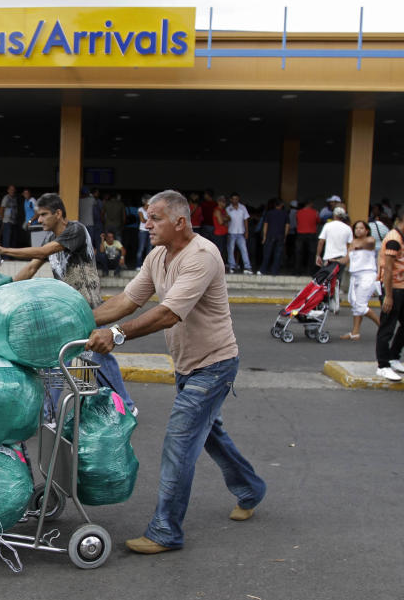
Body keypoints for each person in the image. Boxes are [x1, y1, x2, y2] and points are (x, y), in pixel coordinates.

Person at [85, 189, 266, 554]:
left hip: (215, 365)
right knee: (210, 434)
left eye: (155, 218)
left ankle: (166, 531)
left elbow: (168, 313)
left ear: (180, 222)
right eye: (145, 217)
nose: (146, 224)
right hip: (187, 364)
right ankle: (250, 488)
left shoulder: (201, 256)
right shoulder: (158, 256)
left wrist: (116, 335)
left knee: (180, 443)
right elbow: (126, 301)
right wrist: (79, 321)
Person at [0, 192, 136, 416]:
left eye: (43, 215)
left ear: (58, 213)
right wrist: (1, 292)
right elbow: (31, 268)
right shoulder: (48, 238)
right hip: (66, 313)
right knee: (58, 359)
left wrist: (3, 250)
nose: (39, 220)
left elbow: (44, 252)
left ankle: (127, 406)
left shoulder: (76, 230)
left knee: (98, 359)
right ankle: (49, 410)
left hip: (88, 310)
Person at [375, 206, 404, 381]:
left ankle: (393, 357)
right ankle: (383, 365)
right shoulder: (394, 238)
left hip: (403, 287)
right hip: (392, 288)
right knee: (387, 327)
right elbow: (387, 269)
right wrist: (388, 295)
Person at [341, 220, 381, 341]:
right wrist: (333, 261)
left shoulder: (370, 240)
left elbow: (368, 244)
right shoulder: (352, 243)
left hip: (367, 275)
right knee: (355, 304)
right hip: (355, 276)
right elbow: (345, 260)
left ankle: (383, 327)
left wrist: (356, 247)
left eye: (361, 228)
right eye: (356, 228)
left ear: (367, 230)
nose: (358, 230)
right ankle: (355, 333)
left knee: (361, 305)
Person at [259, 199, 290, 275]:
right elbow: (287, 226)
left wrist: (264, 236)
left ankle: (263, 270)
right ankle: (274, 271)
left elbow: (265, 225)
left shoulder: (269, 213)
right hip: (280, 236)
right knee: (278, 254)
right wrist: (285, 236)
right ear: (281, 205)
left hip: (270, 235)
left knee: (267, 253)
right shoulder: (285, 214)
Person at [225, 193, 252, 273]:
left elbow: (245, 220)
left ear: (238, 199)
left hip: (241, 232)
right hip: (231, 232)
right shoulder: (228, 209)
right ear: (230, 199)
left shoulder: (243, 208)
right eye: (233, 199)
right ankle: (232, 266)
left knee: (244, 250)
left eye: (236, 199)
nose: (235, 200)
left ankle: (247, 266)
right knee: (231, 250)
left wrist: (247, 231)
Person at [295, 199, 320, 275]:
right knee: (312, 253)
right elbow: (318, 221)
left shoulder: (298, 212)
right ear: (309, 204)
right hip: (311, 234)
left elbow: (297, 221)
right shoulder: (315, 212)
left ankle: (297, 271)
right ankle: (310, 271)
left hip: (300, 234)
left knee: (299, 253)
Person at [211, 195, 229, 260]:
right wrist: (225, 219)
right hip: (218, 234)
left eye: (225, 201)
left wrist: (224, 218)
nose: (224, 203)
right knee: (219, 250)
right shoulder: (217, 210)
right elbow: (221, 222)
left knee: (224, 250)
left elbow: (229, 218)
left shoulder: (224, 210)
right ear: (218, 202)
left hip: (224, 233)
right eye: (222, 201)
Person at [136, 194, 152, 269]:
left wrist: (148, 220)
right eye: (149, 200)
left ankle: (147, 267)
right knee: (141, 248)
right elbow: (142, 220)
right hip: (142, 231)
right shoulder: (140, 209)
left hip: (151, 231)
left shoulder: (152, 210)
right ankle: (138, 265)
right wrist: (150, 220)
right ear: (145, 201)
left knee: (149, 249)